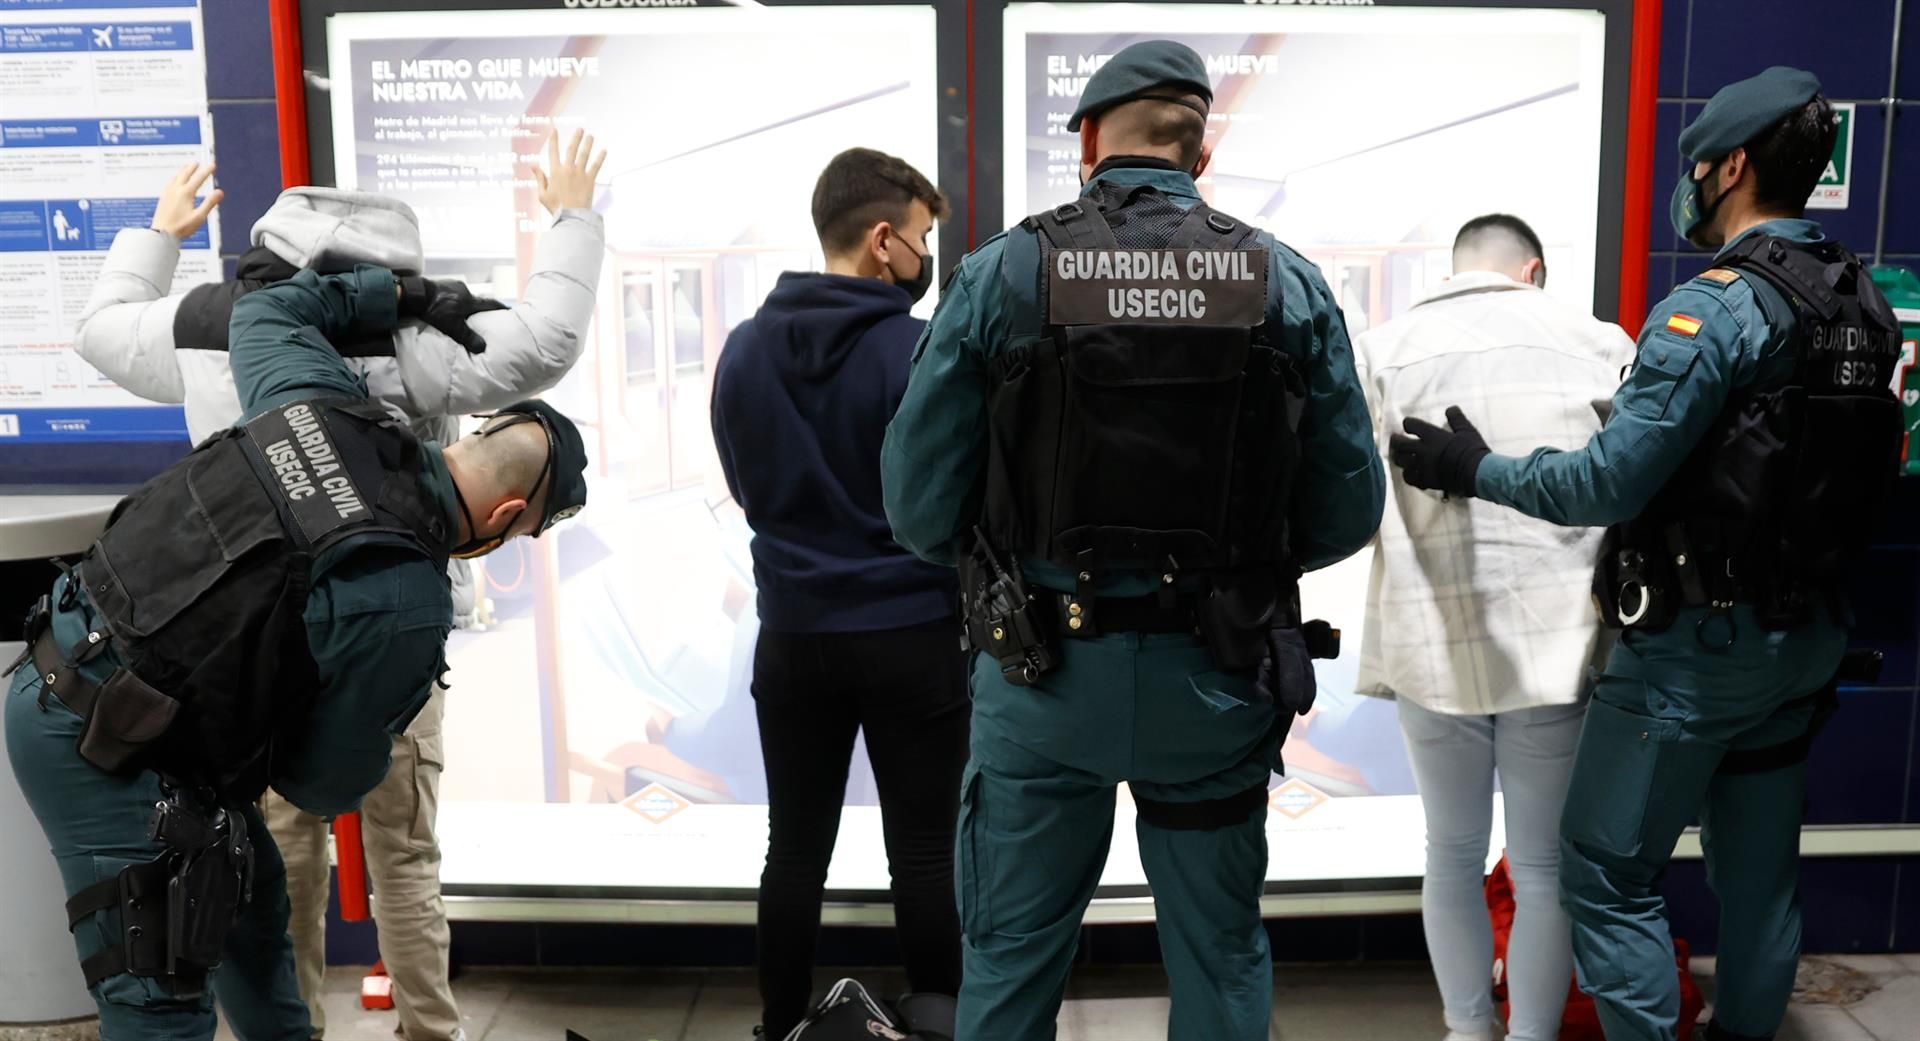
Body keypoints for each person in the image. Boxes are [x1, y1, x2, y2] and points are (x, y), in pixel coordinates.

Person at [881, 40, 1383, 1040]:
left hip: (1042, 682)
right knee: (1221, 956)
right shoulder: (1287, 283)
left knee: (1014, 961)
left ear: (1086, 143)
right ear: (1200, 155)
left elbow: (917, 507)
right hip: (1218, 679)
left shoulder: (1004, 272)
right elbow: (1345, 511)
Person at [1388, 68, 1902, 1041]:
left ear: (1733, 166)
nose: (1690, 183)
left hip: (1695, 653)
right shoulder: (1858, 302)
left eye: (1698, 164)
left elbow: (1603, 486)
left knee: (1602, 872)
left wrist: (1474, 465)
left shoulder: (1709, 312)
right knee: (1759, 884)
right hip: (1802, 641)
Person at [70, 129, 607, 1041]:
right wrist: (571, 215)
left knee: (277, 853)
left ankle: (291, 1032)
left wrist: (155, 235)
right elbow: (548, 340)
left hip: (253, 648)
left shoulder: (211, 325)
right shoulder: (420, 334)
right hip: (390, 631)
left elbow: (98, 330)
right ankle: (430, 1031)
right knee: (406, 852)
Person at [1354, 213, 1632, 1041]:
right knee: (1544, 867)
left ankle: (1468, 1028)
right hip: (1559, 645)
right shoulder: (1598, 340)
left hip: (1432, 637)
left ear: (1455, 268)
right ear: (1532, 270)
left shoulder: (1381, 350)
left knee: (1451, 852)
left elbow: (1352, 494)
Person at [710, 146, 965, 1041]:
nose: (926, 259)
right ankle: (938, 1024)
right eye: (923, 238)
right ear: (883, 238)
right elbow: (948, 496)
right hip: (913, 634)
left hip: (793, 636)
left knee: (796, 847)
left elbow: (745, 485)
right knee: (927, 852)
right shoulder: (917, 347)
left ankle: (780, 1025)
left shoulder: (743, 350)